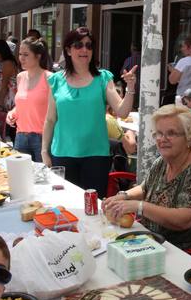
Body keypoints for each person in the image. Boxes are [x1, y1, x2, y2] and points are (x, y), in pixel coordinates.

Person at [102, 104, 191, 251]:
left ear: (190, 139)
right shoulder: (162, 161)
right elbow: (145, 188)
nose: (162, 139)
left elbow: (184, 220)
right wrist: (124, 196)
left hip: (189, 253)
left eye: (171, 133)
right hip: (155, 243)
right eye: (158, 133)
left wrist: (139, 207)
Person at [42, 27, 138, 196]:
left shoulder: (103, 78)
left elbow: (122, 112)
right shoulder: (56, 81)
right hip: (63, 154)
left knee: (92, 207)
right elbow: (50, 120)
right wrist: (44, 151)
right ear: (68, 50)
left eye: (89, 45)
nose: (84, 49)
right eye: (78, 45)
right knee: (66, 205)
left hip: (96, 157)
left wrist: (130, 87)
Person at [6, 39, 51, 162]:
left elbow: (55, 109)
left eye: (26, 55)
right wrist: (12, 113)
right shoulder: (20, 77)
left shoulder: (50, 78)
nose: (21, 58)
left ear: (38, 56)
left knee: (43, 177)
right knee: (21, 176)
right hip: (20, 136)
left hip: (43, 138)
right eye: (20, 54)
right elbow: (23, 103)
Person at [0, 40, 19, 135]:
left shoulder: (7, 63)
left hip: (10, 101)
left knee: (8, 131)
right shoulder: (9, 62)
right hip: (10, 99)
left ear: (2, 51)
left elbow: (4, 86)